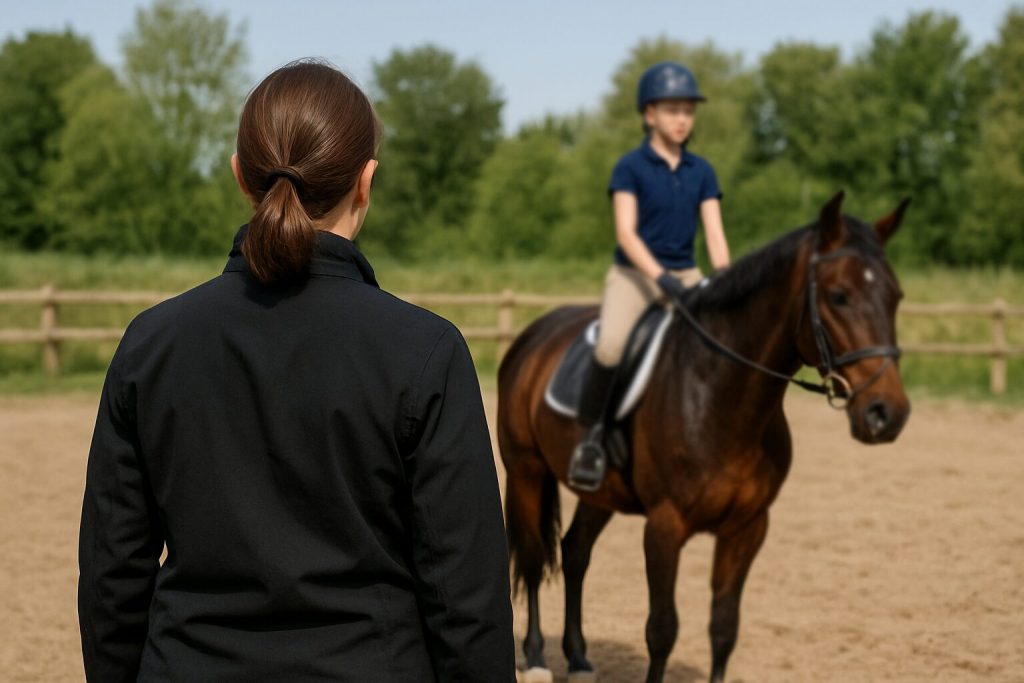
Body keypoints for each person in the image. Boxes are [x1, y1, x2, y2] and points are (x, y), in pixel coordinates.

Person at [77, 59, 515, 682]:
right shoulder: (426, 350)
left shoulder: (151, 343)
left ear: (239, 176)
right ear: (366, 181)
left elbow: (111, 573)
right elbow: (466, 597)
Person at [567, 61, 732, 492]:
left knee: (724, 343)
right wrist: (661, 277)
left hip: (688, 273)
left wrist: (727, 281)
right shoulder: (630, 167)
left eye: (688, 111)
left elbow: (714, 233)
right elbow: (626, 231)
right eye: (673, 110)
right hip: (635, 275)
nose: (682, 119)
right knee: (611, 346)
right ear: (650, 114)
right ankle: (592, 439)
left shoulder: (702, 171)